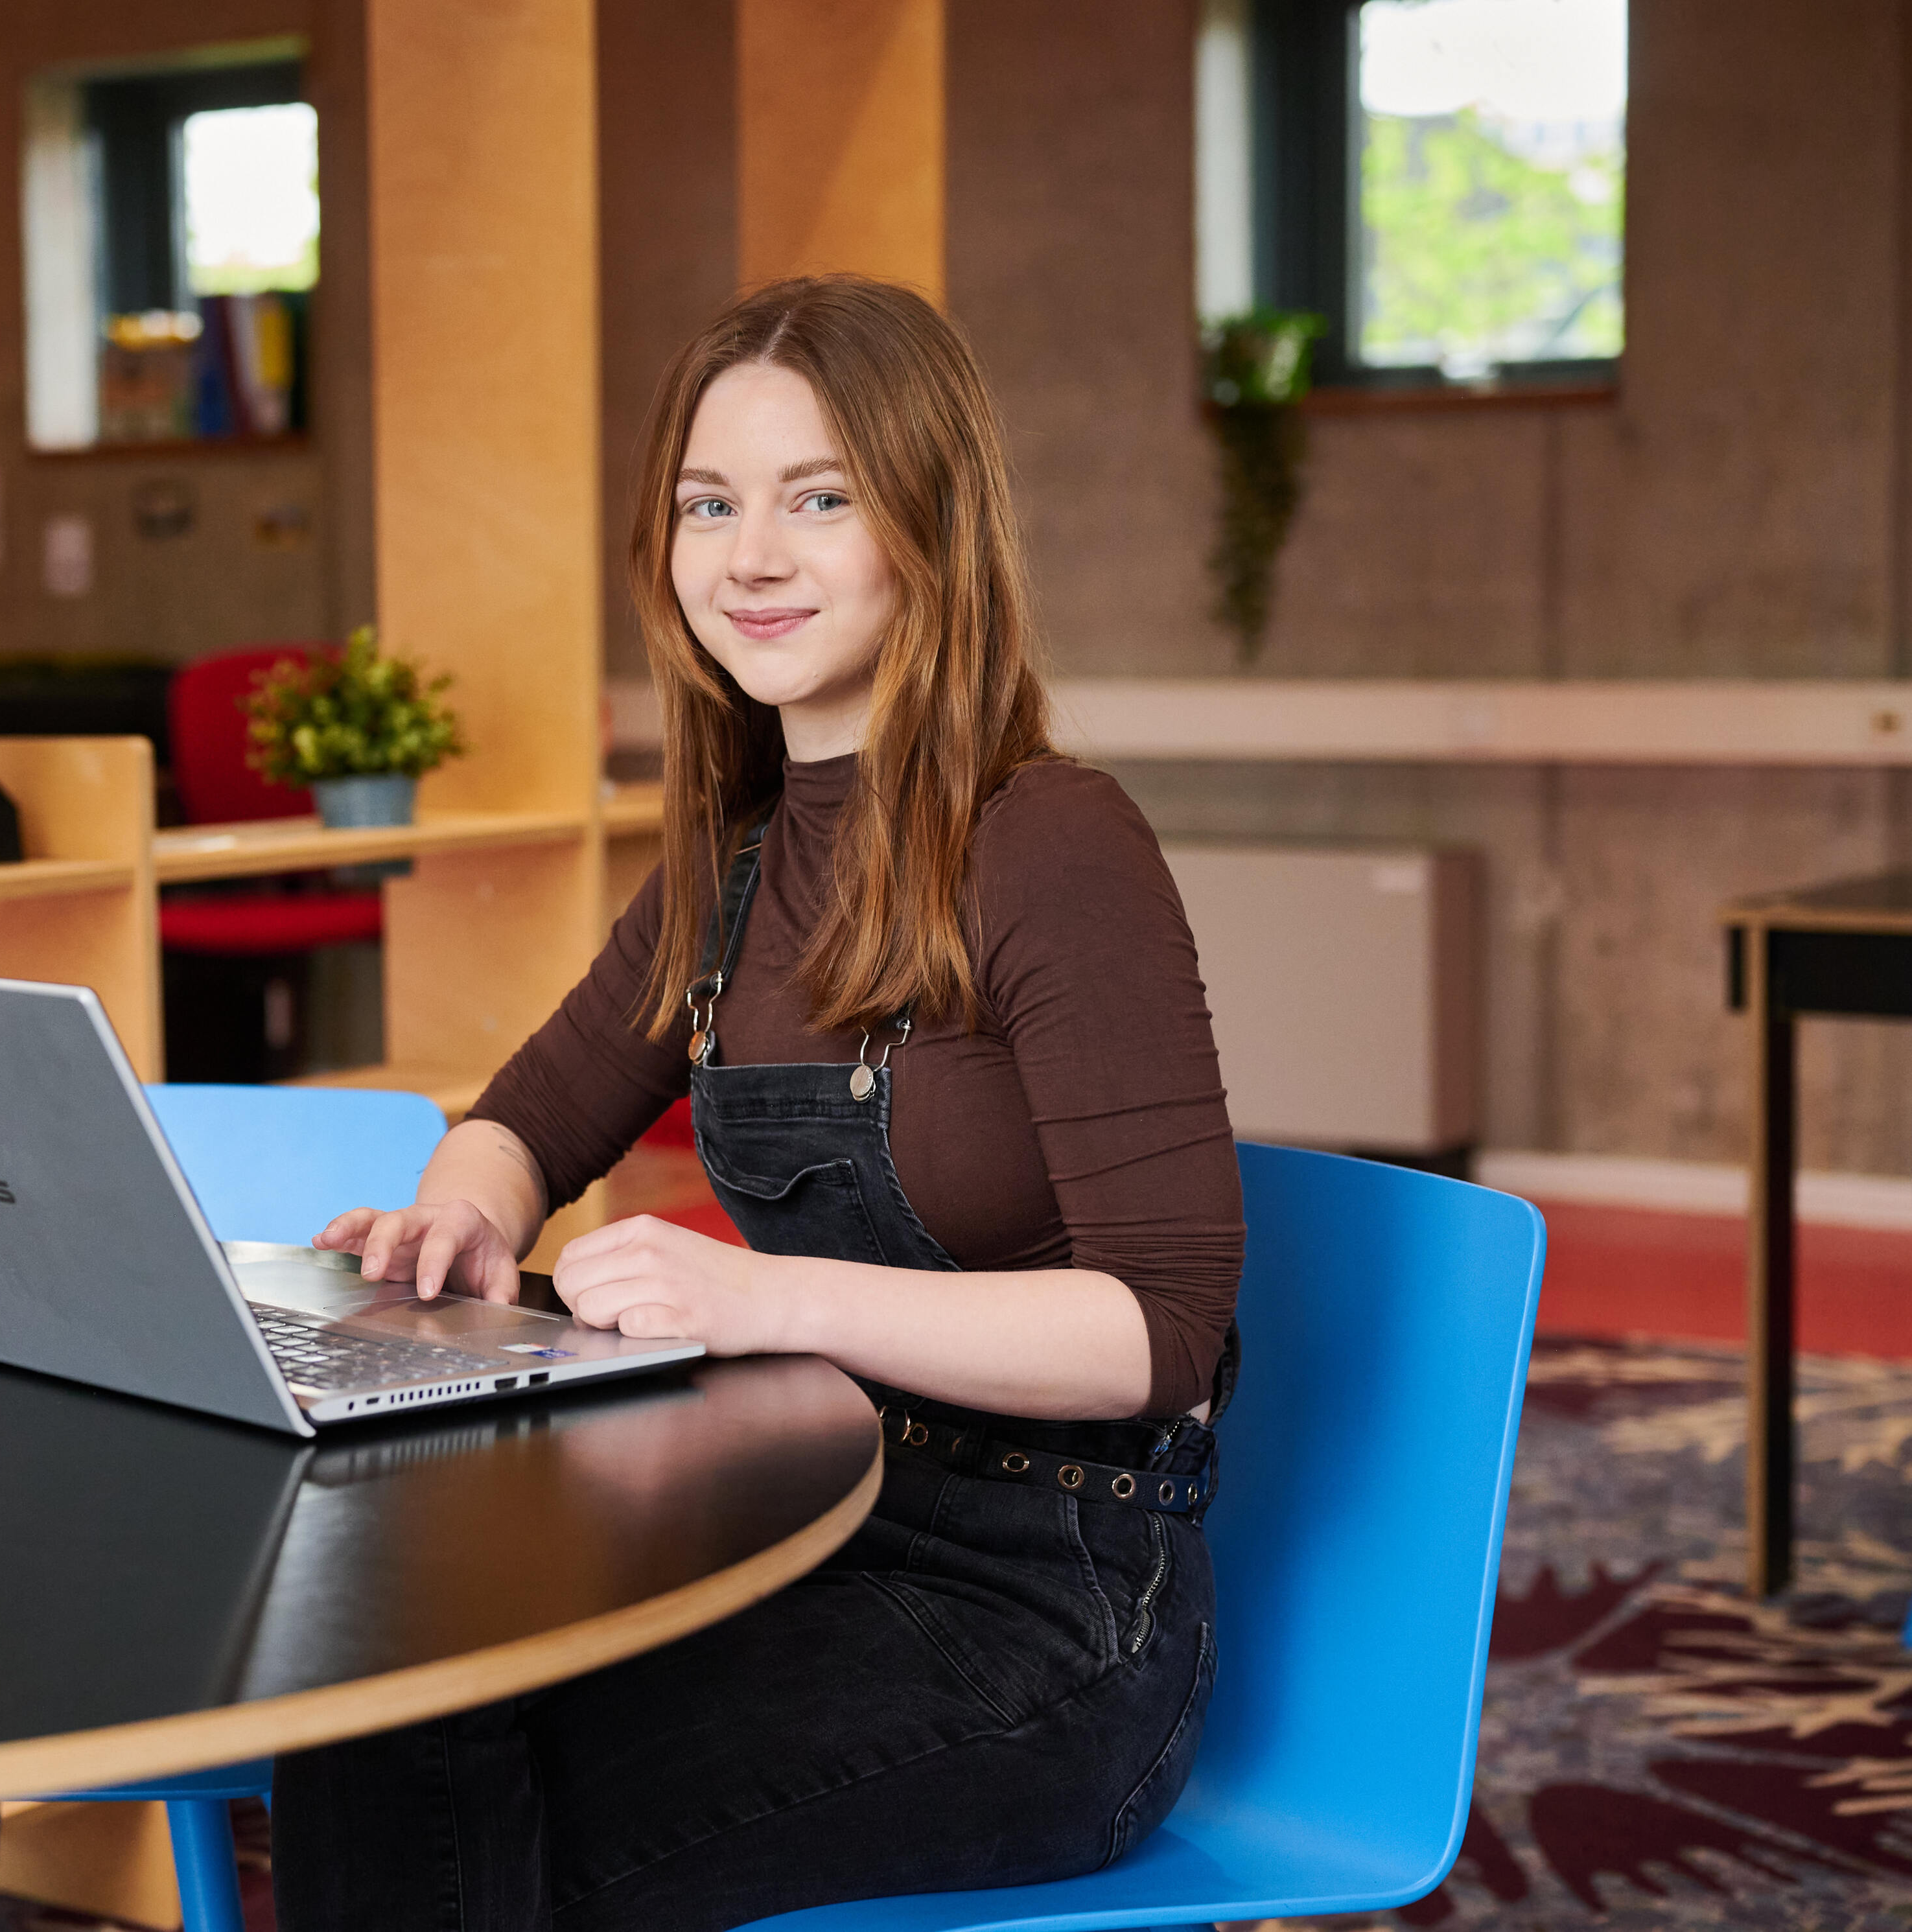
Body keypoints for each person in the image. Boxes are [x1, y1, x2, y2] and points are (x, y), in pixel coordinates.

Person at [272, 275, 1244, 1932]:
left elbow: (1163, 1335)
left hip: (1046, 1609)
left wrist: (759, 1295)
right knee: (385, 1703)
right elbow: (532, 1111)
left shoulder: (1050, 843)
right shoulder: (727, 865)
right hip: (793, 1523)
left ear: (928, 523)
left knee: (475, 1819)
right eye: (706, 507)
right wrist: (468, 1205)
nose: (750, 559)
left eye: (818, 499)